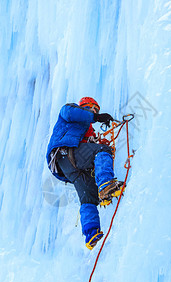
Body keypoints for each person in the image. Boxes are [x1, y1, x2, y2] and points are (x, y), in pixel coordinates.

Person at [46, 97, 123, 249]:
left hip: (66, 166)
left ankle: (91, 232)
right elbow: (70, 113)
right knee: (102, 150)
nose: (95, 112)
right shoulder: (69, 110)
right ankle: (106, 185)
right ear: (84, 106)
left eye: (97, 111)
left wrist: (96, 141)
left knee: (89, 196)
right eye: (92, 108)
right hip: (66, 151)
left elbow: (88, 148)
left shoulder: (86, 131)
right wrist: (97, 118)